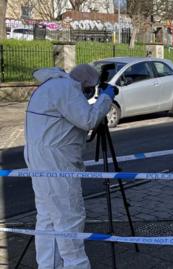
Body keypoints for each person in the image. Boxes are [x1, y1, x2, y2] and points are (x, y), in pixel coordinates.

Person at [24, 64, 115, 269]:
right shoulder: (66, 89)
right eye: (91, 89)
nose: (90, 94)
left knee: (48, 218)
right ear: (84, 85)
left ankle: (48, 265)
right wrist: (106, 97)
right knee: (69, 219)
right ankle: (76, 265)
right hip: (56, 164)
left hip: (41, 160)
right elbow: (88, 119)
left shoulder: (50, 86)